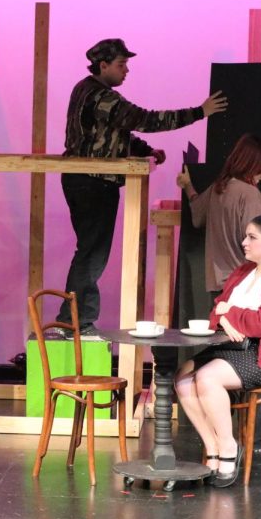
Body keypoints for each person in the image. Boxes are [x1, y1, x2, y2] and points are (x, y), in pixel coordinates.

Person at [56, 38, 228, 334]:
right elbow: (142, 119)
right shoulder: (101, 96)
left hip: (88, 180)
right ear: (103, 65)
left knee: (91, 251)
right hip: (91, 181)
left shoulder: (90, 91)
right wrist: (200, 112)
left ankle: (76, 319)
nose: (126, 71)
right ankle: (74, 320)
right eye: (121, 65)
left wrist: (144, 150)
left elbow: (114, 133)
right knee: (91, 253)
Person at [173, 214, 261, 487]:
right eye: (246, 236)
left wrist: (229, 312)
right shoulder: (243, 271)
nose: (244, 242)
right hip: (229, 346)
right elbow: (216, 309)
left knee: (207, 378)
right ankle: (213, 447)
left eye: (252, 237)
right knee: (182, 378)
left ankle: (229, 448)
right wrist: (222, 317)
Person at [176, 133, 261, 451]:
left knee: (225, 360)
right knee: (257, 359)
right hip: (245, 289)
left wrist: (187, 185)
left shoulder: (219, 188)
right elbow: (257, 244)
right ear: (254, 164)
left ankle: (225, 436)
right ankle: (258, 437)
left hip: (219, 290)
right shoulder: (249, 194)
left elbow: (196, 216)